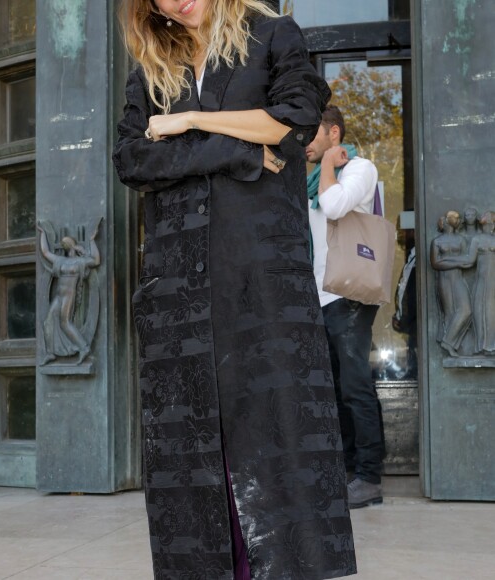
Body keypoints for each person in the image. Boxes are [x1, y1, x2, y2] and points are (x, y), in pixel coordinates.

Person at [113, 1, 356, 578]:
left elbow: (292, 119)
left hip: (260, 269)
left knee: (274, 433)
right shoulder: (151, 69)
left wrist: (190, 122)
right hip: (177, 280)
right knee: (193, 443)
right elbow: (132, 158)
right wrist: (236, 149)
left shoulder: (272, 35)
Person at [306, 105, 384, 509]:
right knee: (334, 390)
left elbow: (335, 206)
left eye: (311, 133)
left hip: (349, 296)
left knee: (355, 387)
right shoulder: (309, 181)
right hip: (320, 295)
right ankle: (347, 471)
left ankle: (369, 476)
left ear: (333, 134)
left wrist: (333, 167)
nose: (305, 142)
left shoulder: (359, 169)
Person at [37, 223, 101, 365]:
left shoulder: (80, 261)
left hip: (69, 295)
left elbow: (96, 260)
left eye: (66, 243)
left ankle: (84, 348)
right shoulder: (60, 260)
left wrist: (91, 240)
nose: (64, 245)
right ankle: (50, 353)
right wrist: (42, 234)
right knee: (48, 322)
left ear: (72, 245)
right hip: (59, 296)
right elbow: (45, 252)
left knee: (65, 323)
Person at [429, 212, 473, 356]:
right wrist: (457, 261)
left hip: (458, 278)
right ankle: (449, 348)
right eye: (456, 217)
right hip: (444, 280)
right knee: (449, 313)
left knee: (466, 310)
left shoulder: (461, 240)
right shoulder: (436, 241)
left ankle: (448, 341)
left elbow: (467, 262)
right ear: (448, 221)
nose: (459, 220)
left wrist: (446, 261)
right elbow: (435, 263)